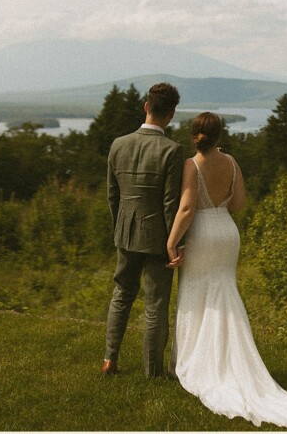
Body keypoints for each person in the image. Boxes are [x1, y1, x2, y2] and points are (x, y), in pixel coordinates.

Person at [166, 112, 287, 429]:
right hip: (227, 232)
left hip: (202, 233)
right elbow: (238, 203)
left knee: (197, 294)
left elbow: (186, 208)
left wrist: (172, 242)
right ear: (220, 135)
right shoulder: (232, 162)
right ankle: (232, 360)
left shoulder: (190, 164)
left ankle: (196, 362)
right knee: (225, 292)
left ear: (194, 134)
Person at [102, 82, 183, 378]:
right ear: (171, 113)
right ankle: (153, 372)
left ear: (146, 106)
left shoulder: (118, 144)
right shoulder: (172, 150)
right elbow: (170, 203)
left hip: (125, 231)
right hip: (159, 237)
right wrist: (177, 243)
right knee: (156, 304)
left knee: (121, 294)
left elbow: (112, 195)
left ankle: (110, 359)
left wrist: (120, 228)